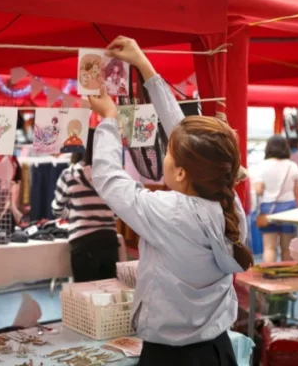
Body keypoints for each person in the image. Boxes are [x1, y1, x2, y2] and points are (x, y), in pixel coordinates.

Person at [88, 36, 250, 365]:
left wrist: (107, 119)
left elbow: (108, 178)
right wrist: (144, 66)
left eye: (169, 152)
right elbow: (184, 132)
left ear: (180, 173)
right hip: (218, 351)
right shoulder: (227, 201)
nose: (164, 153)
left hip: (171, 358)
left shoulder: (169, 213)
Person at [51, 128, 119, 282]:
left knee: (85, 300)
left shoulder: (69, 175)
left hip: (82, 242)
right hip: (109, 240)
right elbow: (117, 213)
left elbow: (57, 209)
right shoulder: (112, 175)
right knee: (108, 297)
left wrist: (73, 214)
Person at [255, 136, 298, 263]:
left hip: (268, 208)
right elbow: (296, 191)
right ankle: (286, 278)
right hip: (289, 208)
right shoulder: (292, 166)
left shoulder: (262, 166)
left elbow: (258, 190)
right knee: (287, 248)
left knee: (269, 248)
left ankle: (269, 276)